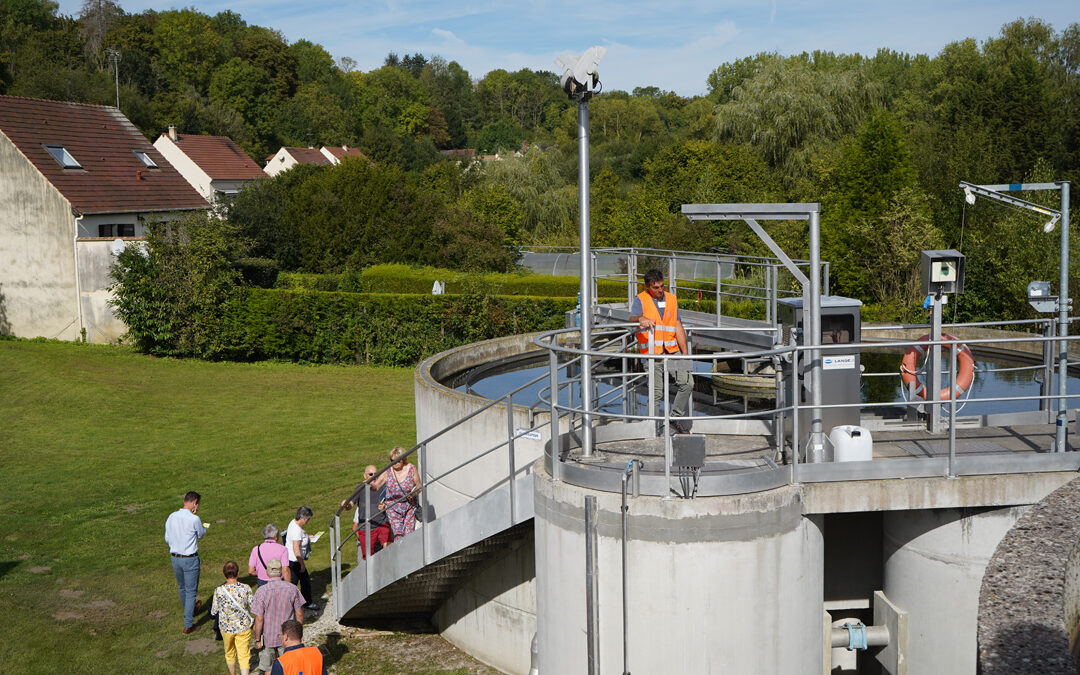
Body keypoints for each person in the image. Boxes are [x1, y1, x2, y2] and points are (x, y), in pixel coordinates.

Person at [629, 268, 694, 435]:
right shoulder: (641, 299)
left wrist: (685, 353)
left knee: (687, 383)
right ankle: (652, 428)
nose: (660, 291)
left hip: (672, 350)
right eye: (656, 287)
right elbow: (631, 319)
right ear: (648, 287)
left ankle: (674, 418)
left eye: (662, 287)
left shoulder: (671, 299)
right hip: (652, 353)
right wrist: (640, 318)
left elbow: (677, 325)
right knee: (656, 392)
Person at [251, 559, 304, 674]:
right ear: (281, 572)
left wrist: (257, 638)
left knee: (268, 668)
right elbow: (299, 613)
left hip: (268, 636)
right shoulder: (292, 588)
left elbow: (259, 618)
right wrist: (298, 634)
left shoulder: (261, 591)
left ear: (267, 572)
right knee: (288, 667)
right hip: (287, 636)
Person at [164, 490, 206, 634]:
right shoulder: (194, 519)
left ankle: (190, 609)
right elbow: (200, 534)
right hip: (190, 559)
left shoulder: (171, 516)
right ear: (194, 502)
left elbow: (167, 538)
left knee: (182, 587)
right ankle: (188, 624)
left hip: (175, 557)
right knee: (190, 591)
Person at [211, 561, 254, 675]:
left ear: (224, 574)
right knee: (244, 654)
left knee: (229, 652)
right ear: (237, 573)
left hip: (226, 628)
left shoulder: (219, 591)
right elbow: (253, 606)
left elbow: (214, 611)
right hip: (243, 626)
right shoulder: (246, 588)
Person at [341, 465, 392, 559]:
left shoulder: (383, 486)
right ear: (365, 476)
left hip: (382, 523)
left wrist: (385, 505)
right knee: (368, 558)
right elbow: (351, 504)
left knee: (389, 549)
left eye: (376, 474)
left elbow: (393, 500)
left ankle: (389, 569)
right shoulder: (360, 488)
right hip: (366, 527)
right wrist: (346, 505)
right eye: (370, 474)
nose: (374, 476)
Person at [384, 446, 421, 538]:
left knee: (409, 534)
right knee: (398, 535)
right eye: (392, 461)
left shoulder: (411, 468)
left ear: (403, 460)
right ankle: (401, 552)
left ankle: (409, 552)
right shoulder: (388, 470)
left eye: (397, 461)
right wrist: (368, 483)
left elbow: (419, 487)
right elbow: (376, 484)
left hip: (409, 507)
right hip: (393, 507)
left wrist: (414, 493)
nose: (394, 463)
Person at [285, 506, 317, 610]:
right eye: (308, 519)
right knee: (301, 581)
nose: (308, 521)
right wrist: (302, 564)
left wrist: (307, 537)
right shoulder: (297, 531)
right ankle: (306, 603)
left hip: (291, 559)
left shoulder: (293, 523)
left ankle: (292, 603)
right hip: (295, 561)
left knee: (296, 582)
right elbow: (296, 548)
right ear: (303, 518)